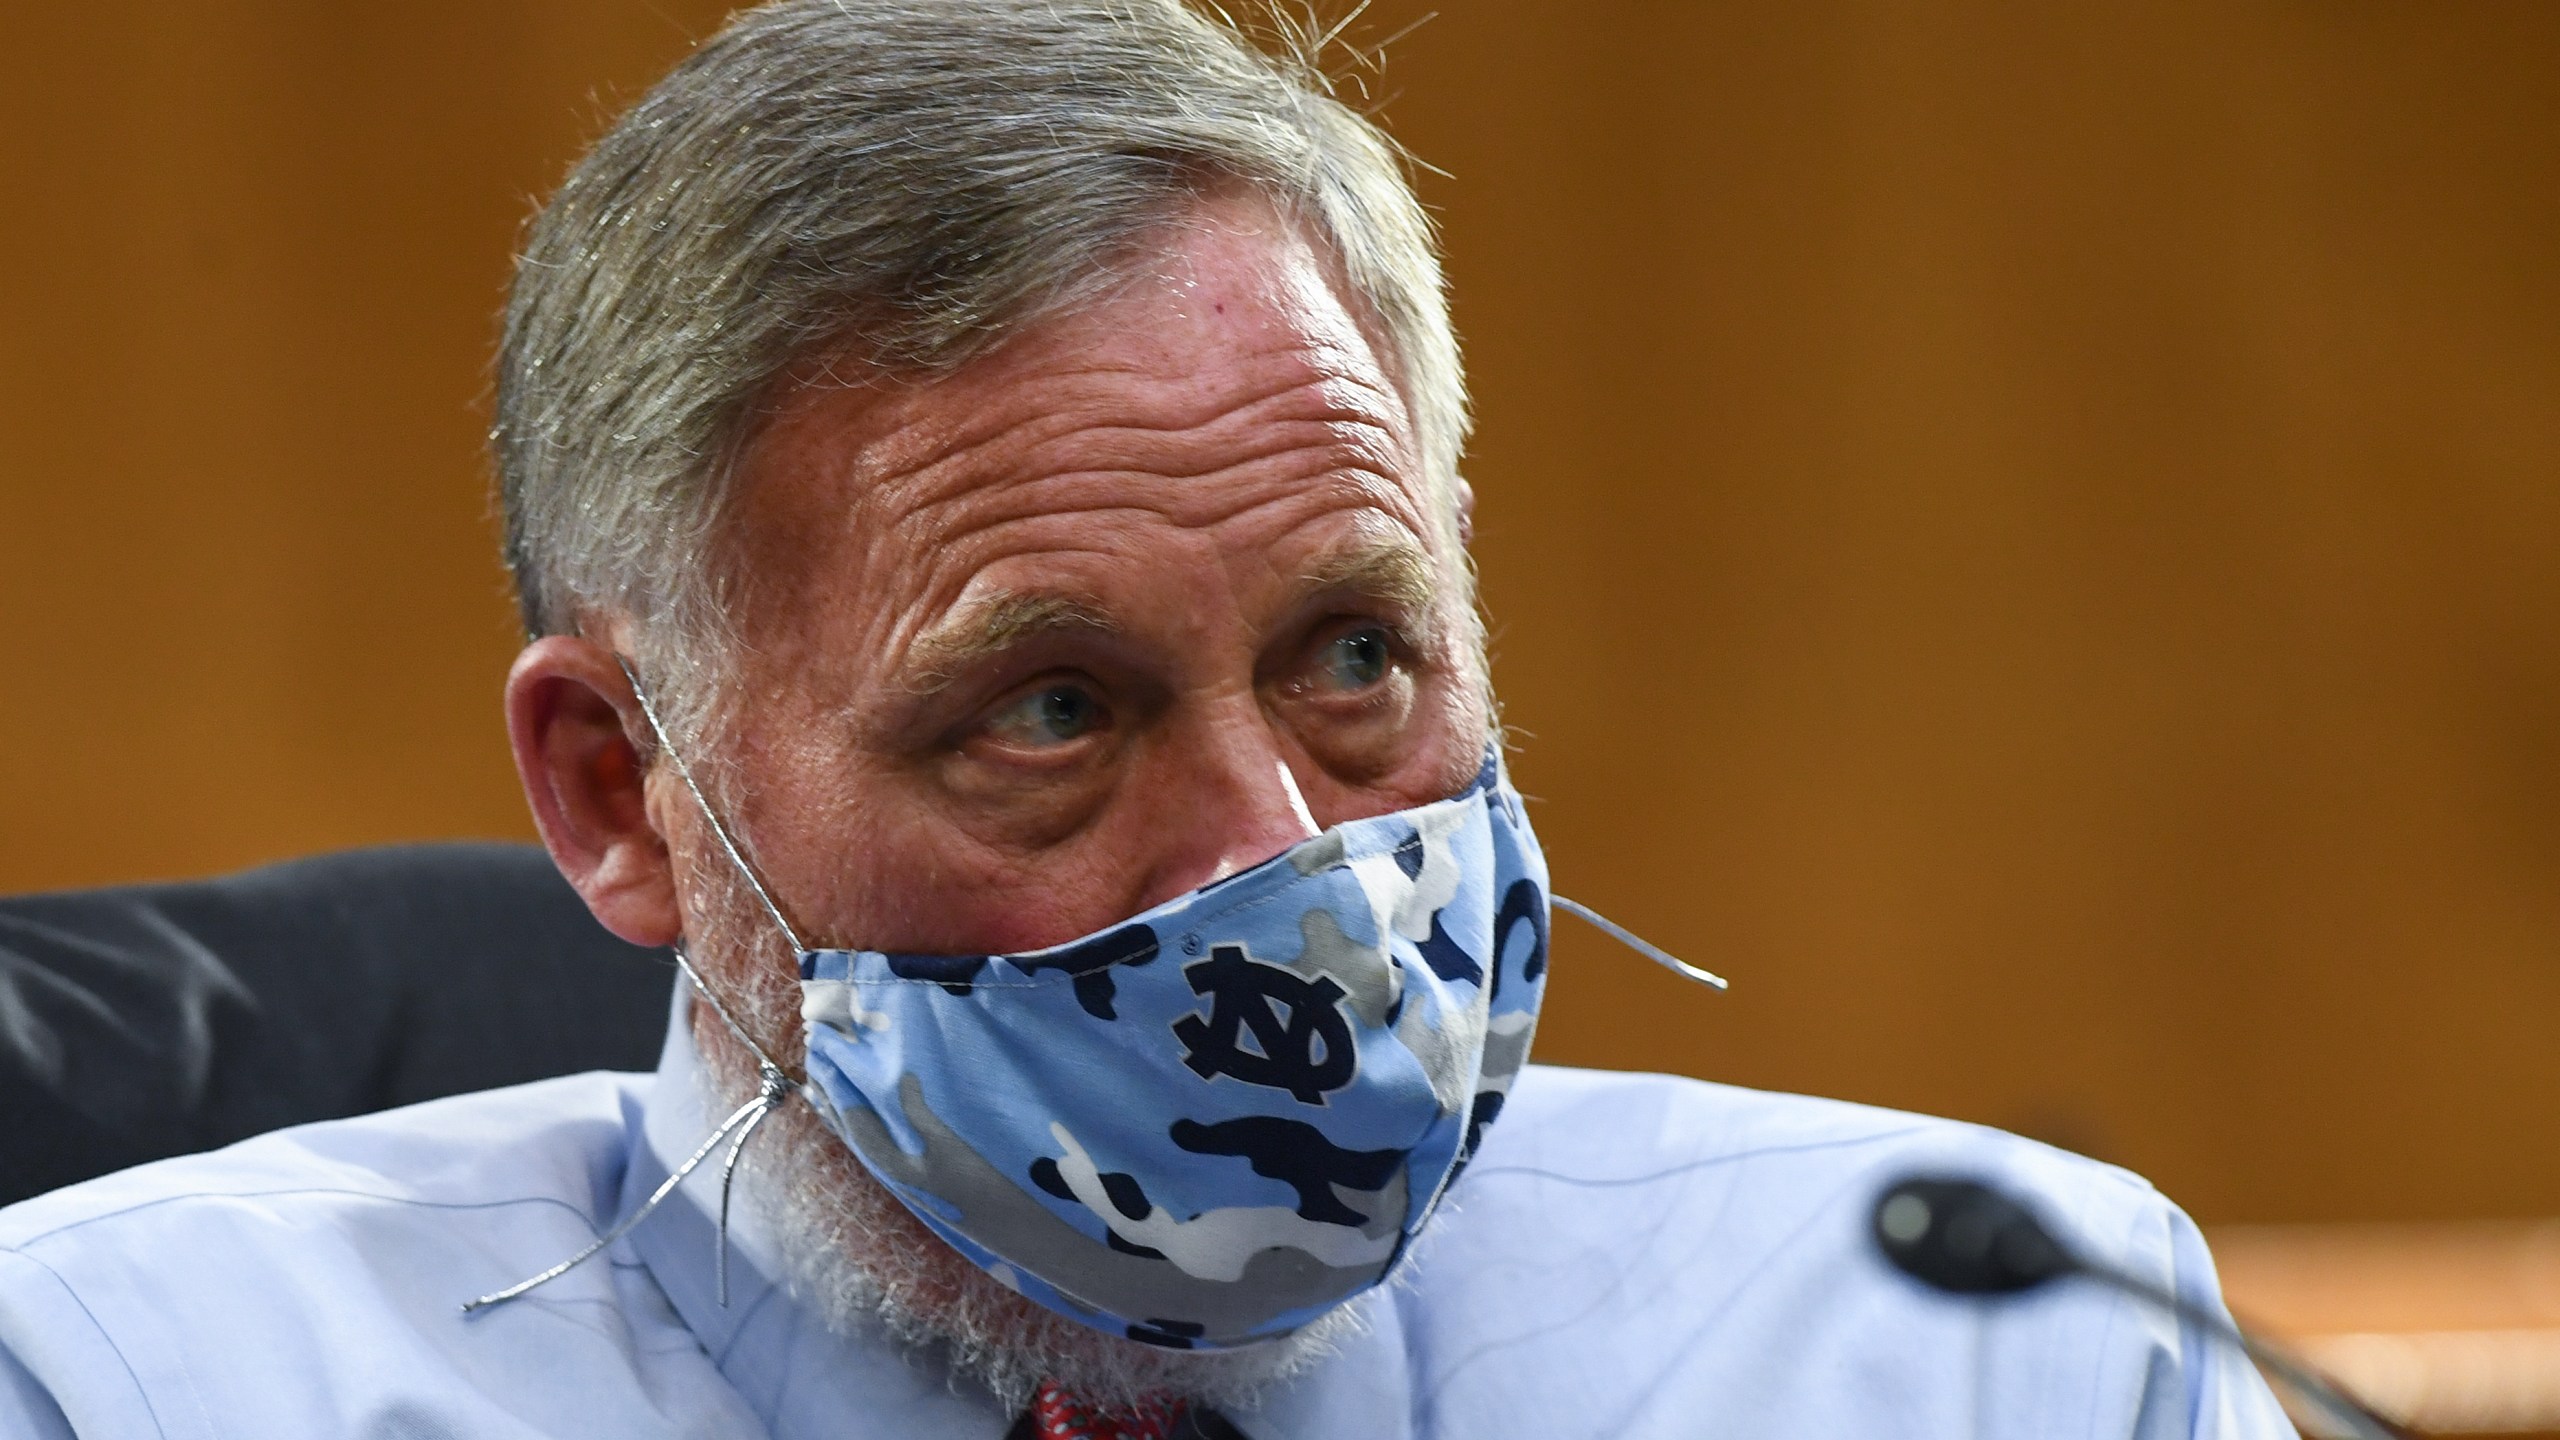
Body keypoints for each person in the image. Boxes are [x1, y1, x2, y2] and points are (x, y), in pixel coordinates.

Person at [0, 2, 2293, 1435]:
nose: (1268, 859)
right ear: (624, 792)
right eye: (1055, 706)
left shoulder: (1997, 1357)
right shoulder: (127, 1389)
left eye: (1355, 659)